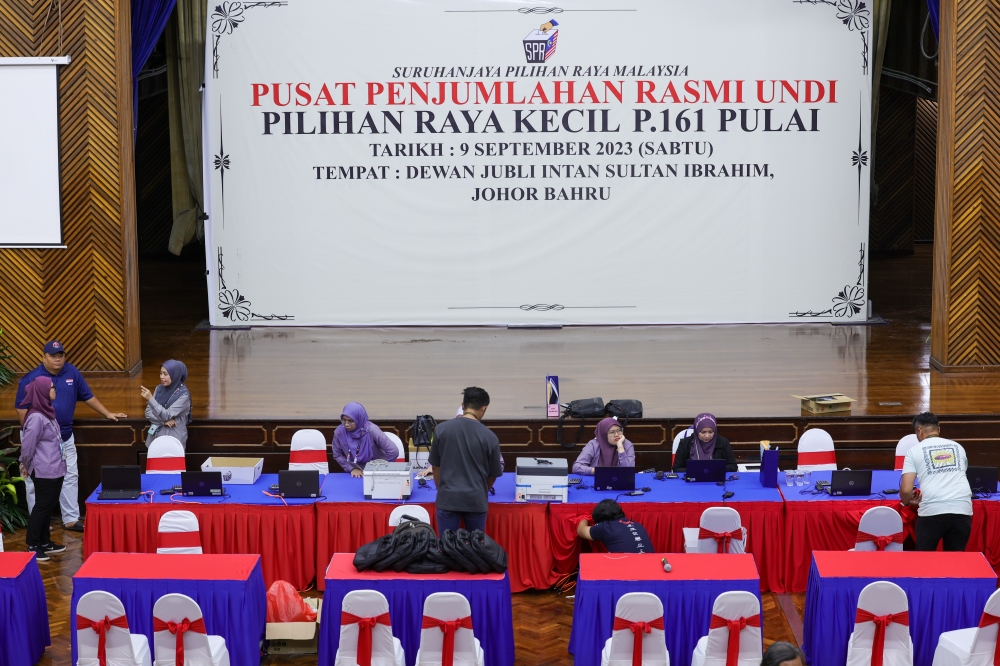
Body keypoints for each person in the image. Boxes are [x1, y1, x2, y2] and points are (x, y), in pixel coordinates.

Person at [14, 341, 126, 532]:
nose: (58, 359)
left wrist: (107, 413)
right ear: (43, 357)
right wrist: (32, 432)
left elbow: (87, 396)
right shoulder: (32, 378)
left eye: (61, 355)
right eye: (53, 356)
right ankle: (39, 522)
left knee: (70, 475)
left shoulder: (71, 372)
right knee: (34, 480)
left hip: (64, 436)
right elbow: (21, 407)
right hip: (40, 441)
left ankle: (71, 519)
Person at [428, 387, 503, 534]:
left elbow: (435, 467)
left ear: (463, 406)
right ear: (484, 408)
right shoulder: (490, 437)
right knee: (475, 546)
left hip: (448, 499)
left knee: (447, 545)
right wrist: (480, 491)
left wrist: (442, 490)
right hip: (476, 501)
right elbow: (492, 475)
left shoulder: (441, 430)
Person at [901, 412, 973, 551]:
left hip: (932, 511)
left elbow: (905, 490)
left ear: (919, 431)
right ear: (938, 429)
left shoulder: (913, 451)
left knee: (924, 560)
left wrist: (907, 502)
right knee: (955, 560)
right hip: (962, 509)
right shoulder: (958, 447)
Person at [18, 377, 67, 561]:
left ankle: (45, 542)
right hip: (44, 470)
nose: (55, 390)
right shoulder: (36, 417)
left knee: (49, 506)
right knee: (42, 507)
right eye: (52, 388)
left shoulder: (46, 412)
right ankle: (33, 544)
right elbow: (28, 445)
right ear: (42, 391)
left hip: (56, 467)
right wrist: (24, 463)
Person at [331, 402, 399, 476]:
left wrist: (380, 469)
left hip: (377, 471)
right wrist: (351, 468)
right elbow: (337, 455)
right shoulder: (340, 432)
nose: (346, 424)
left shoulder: (372, 430)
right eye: (344, 420)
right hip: (356, 472)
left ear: (359, 419)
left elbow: (393, 451)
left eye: (351, 421)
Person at [140, 360, 191, 448]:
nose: (161, 377)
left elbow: (167, 415)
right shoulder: (159, 389)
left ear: (175, 375)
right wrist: (163, 422)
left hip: (172, 440)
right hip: (155, 438)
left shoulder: (183, 396)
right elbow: (148, 413)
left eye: (165, 374)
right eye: (160, 373)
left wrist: (151, 399)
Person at [576, 499, 652, 553]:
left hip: (627, 568)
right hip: (651, 566)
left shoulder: (606, 527)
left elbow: (581, 530)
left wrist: (584, 518)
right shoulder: (638, 525)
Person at [672, 413, 738, 472]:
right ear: (697, 431)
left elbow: (733, 466)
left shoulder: (723, 442)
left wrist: (714, 469)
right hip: (693, 479)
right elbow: (676, 469)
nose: (707, 436)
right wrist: (697, 470)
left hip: (716, 478)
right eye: (703, 432)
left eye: (710, 432)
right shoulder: (685, 443)